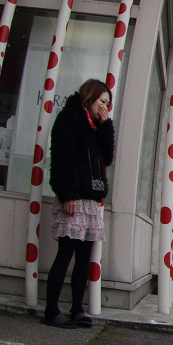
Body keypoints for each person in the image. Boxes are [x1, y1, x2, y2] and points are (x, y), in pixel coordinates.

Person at [43, 79, 115, 328]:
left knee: (84, 258)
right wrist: (68, 194)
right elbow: (63, 157)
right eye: (101, 101)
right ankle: (51, 311)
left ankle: (77, 309)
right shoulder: (70, 118)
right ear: (89, 97)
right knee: (65, 254)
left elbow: (107, 157)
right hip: (74, 198)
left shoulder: (96, 127)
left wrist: (105, 126)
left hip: (92, 200)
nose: (104, 107)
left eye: (108, 104)